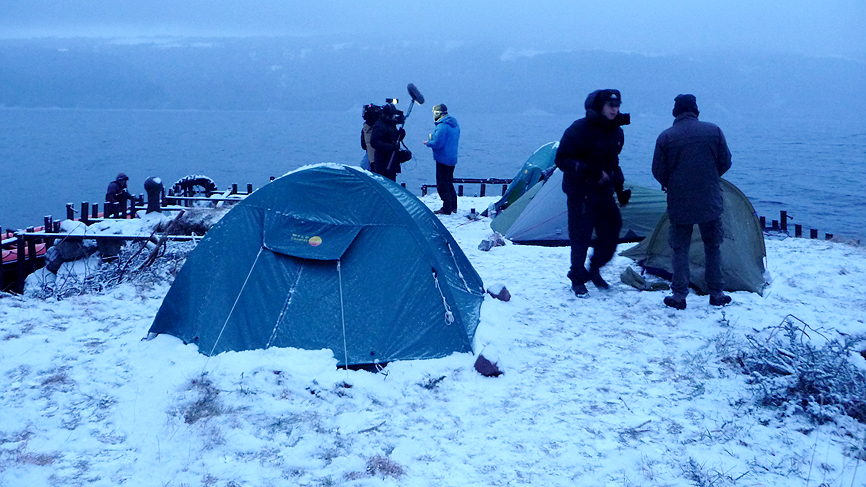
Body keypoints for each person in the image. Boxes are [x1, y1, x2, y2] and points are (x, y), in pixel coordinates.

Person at [652, 94, 733, 310]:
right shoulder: (714, 131)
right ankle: (716, 293)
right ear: (696, 110)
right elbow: (725, 162)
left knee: (680, 249)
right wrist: (709, 178)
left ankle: (679, 297)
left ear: (675, 112)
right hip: (710, 200)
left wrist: (673, 184)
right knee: (713, 247)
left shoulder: (665, 137)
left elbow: (658, 171)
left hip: (680, 202)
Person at [554, 89, 632, 297]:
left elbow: (614, 163)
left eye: (617, 106)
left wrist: (620, 188)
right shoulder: (579, 129)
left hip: (604, 192)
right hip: (580, 192)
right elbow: (562, 159)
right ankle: (578, 278)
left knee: (612, 229)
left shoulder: (616, 132)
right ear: (599, 107)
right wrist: (589, 170)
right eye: (610, 106)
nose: (615, 110)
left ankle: (594, 268)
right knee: (581, 235)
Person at [423, 104, 460, 215]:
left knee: (442, 184)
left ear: (438, 113)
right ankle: (454, 205)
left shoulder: (442, 126)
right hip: (452, 158)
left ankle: (446, 208)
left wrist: (428, 143)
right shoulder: (454, 125)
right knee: (449, 182)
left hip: (443, 158)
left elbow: (438, 143)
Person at [369, 103, 406, 181]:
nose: (394, 117)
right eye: (393, 115)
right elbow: (374, 142)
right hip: (383, 163)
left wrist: (400, 135)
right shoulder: (379, 125)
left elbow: (394, 139)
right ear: (388, 115)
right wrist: (391, 147)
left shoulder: (390, 125)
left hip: (391, 162)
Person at [360, 103, 381, 171]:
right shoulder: (380, 128)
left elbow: (363, 145)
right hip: (379, 159)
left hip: (370, 158)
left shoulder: (365, 129)